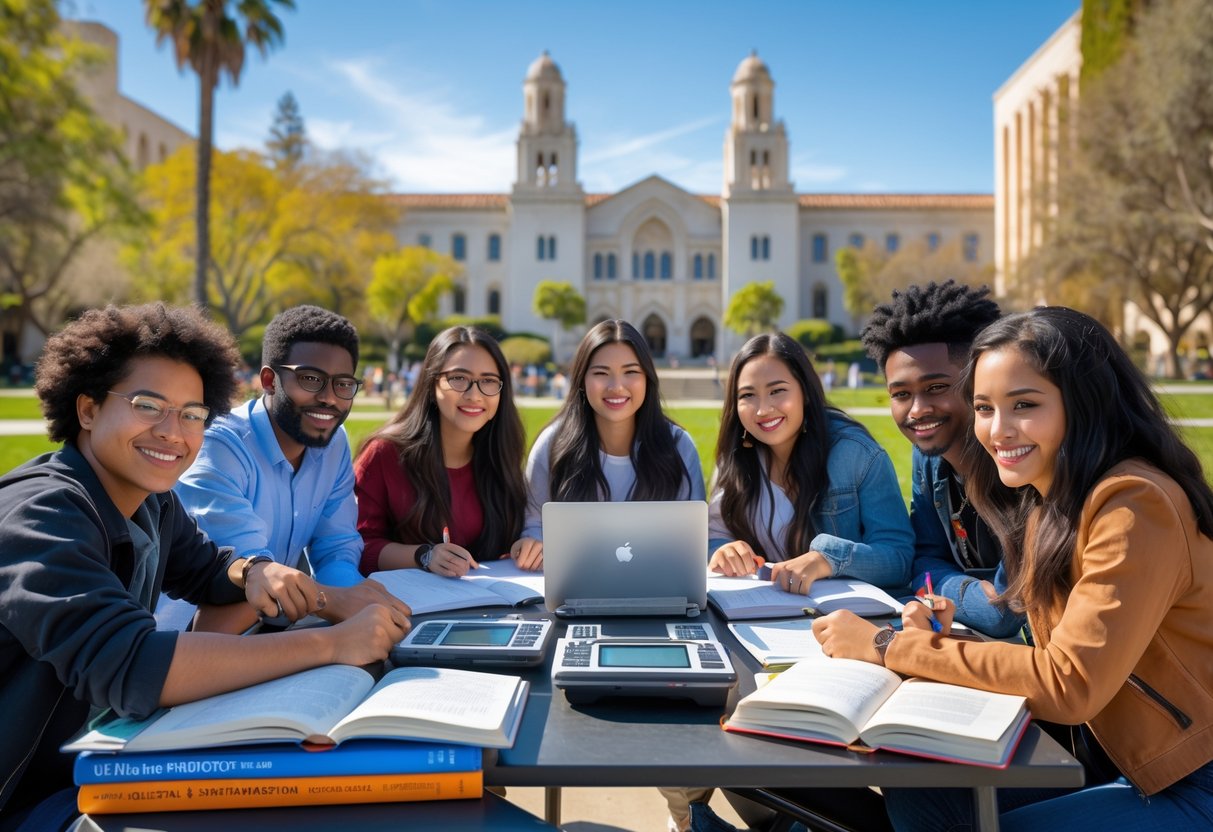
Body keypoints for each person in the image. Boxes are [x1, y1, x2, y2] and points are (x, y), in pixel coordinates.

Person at [0, 304, 409, 830]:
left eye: (193, 414)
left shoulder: (149, 503)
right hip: (31, 799)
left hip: (103, 765)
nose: (174, 432)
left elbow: (209, 570)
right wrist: (331, 645)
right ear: (87, 409)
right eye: (149, 405)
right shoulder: (43, 514)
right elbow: (132, 666)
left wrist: (250, 571)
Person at [814, 307, 1213, 830]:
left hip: (1185, 779)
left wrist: (887, 647)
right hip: (1105, 755)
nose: (998, 431)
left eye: (1024, 404)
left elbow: (1068, 684)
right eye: (983, 407)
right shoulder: (1050, 499)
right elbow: (1055, 657)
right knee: (920, 791)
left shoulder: (1133, 503)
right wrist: (945, 643)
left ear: (1083, 401)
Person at [171, 305, 408, 633]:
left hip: (275, 626)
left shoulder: (333, 443)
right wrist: (335, 602)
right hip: (192, 640)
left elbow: (336, 545)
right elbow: (256, 575)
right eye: (310, 379)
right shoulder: (219, 446)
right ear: (269, 380)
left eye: (343, 384)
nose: (329, 399)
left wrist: (358, 598)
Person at [861, 280, 1024, 638]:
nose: (918, 410)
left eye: (936, 387)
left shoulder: (1020, 461)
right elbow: (922, 562)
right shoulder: (929, 459)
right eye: (901, 394)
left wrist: (944, 590)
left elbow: (1005, 612)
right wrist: (963, 590)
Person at [707, 332, 913, 593]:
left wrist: (826, 559)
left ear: (804, 391)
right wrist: (723, 551)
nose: (763, 409)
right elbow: (714, 540)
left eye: (777, 391)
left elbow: (899, 559)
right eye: (748, 395)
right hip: (760, 617)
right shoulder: (733, 460)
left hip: (846, 618)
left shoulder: (855, 454)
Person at [354, 326, 538, 575]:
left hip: (491, 604)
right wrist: (424, 555)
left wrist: (521, 546)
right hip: (410, 606)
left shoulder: (500, 453)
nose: (474, 394)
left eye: (488, 381)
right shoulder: (384, 454)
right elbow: (356, 547)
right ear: (432, 385)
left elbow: (501, 542)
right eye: (458, 378)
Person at [523, 319, 705, 548]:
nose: (616, 386)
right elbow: (534, 525)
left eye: (630, 371)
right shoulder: (553, 445)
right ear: (581, 380)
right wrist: (532, 545)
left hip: (657, 583)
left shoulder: (678, 446)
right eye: (601, 373)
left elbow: (694, 538)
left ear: (647, 379)